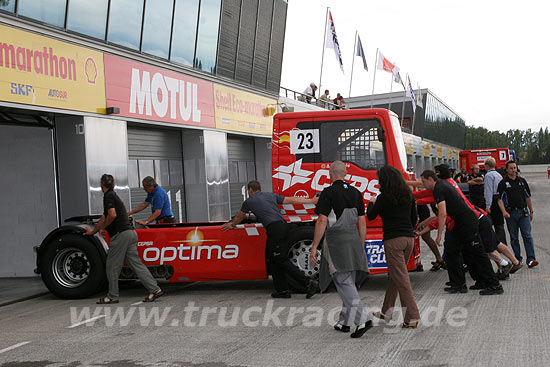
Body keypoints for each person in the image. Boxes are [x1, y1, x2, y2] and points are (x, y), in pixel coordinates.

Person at [221, 180, 319, 298]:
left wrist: (232, 224)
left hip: (275, 229)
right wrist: (311, 201)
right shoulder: (271, 195)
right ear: (259, 188)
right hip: (283, 226)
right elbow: (291, 200)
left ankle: (308, 283)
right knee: (271, 258)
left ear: (250, 190)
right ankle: (282, 291)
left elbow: (239, 216)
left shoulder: (249, 201)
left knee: (280, 258)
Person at [309, 161, 372, 338]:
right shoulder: (357, 192)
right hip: (353, 240)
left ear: (330, 174)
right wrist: (361, 244)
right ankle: (344, 322)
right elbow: (362, 221)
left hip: (337, 241)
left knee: (343, 281)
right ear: (345, 174)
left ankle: (363, 319)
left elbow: (322, 221)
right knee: (349, 281)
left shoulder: (328, 193)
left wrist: (314, 247)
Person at [421, 167, 503, 295]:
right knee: (453, 251)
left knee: (478, 252)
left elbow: (442, 214)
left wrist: (439, 235)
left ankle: (494, 284)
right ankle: (459, 283)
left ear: (431, 179)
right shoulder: (443, 185)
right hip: (460, 223)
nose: (423, 186)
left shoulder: (439, 188)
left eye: (424, 182)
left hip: (468, 222)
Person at [85, 174, 163, 304]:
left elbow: (112, 215)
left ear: (101, 185)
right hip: (130, 234)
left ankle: (112, 296)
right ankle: (155, 289)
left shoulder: (108, 196)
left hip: (121, 235)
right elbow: (104, 217)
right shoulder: (114, 196)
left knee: (111, 266)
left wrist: (103, 228)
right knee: (136, 265)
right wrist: (93, 231)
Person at [367, 166, 420, 329]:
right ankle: (386, 312)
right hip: (408, 239)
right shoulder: (408, 195)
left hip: (393, 240)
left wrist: (371, 203)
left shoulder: (383, 198)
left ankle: (412, 317)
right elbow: (413, 218)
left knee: (402, 279)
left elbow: (371, 216)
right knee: (396, 275)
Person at [497, 160, 539, 268]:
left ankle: (531, 259)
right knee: (514, 238)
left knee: (527, 236)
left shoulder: (522, 181)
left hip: (523, 212)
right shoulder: (503, 183)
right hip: (511, 214)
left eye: (514, 168)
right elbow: (499, 200)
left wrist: (531, 211)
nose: (513, 170)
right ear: (506, 170)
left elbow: (527, 197)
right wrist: (504, 212)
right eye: (511, 168)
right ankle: (517, 260)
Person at [484, 157, 507, 245]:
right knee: (499, 223)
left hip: (493, 200)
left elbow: (488, 191)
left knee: (489, 223)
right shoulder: (498, 175)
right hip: (499, 198)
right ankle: (502, 242)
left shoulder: (488, 176)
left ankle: (494, 243)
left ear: (487, 165)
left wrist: (488, 205)